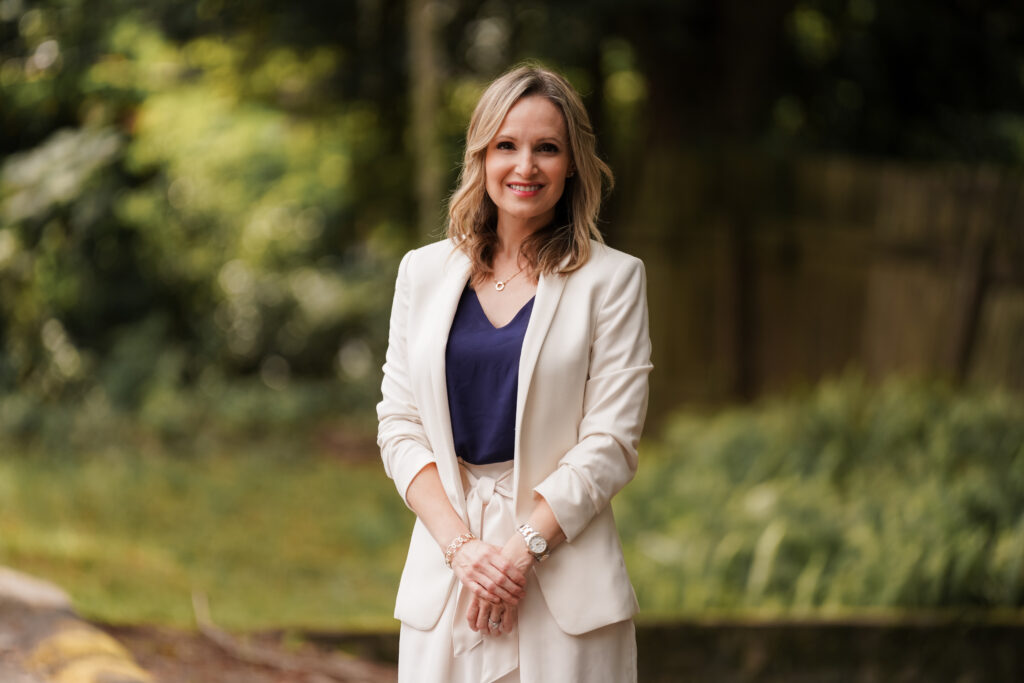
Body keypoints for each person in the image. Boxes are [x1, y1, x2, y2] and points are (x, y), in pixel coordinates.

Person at [377, 63, 652, 683]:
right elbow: (399, 425)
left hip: (564, 583)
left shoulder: (613, 281)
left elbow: (610, 444)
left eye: (546, 148)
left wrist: (519, 551)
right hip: (446, 578)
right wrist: (463, 550)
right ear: (481, 156)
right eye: (507, 145)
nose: (525, 166)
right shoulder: (421, 273)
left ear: (573, 163)